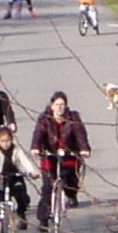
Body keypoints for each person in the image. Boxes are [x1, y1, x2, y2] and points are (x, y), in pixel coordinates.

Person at [30, 90, 91, 224]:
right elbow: (38, 134)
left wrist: (84, 149)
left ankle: (71, 193)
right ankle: (43, 219)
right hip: (50, 155)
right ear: (52, 106)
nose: (59, 107)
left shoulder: (73, 118)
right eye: (57, 104)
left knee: (70, 178)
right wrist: (35, 148)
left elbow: (80, 135)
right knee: (47, 186)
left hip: (69, 154)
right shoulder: (45, 119)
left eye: (62, 104)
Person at [0, 124, 40, 230]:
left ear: (12, 139)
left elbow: (25, 162)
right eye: (2, 141)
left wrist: (32, 171)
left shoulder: (17, 151)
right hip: (0, 180)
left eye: (8, 140)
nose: (5, 144)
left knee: (22, 196)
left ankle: (21, 214)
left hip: (15, 178)